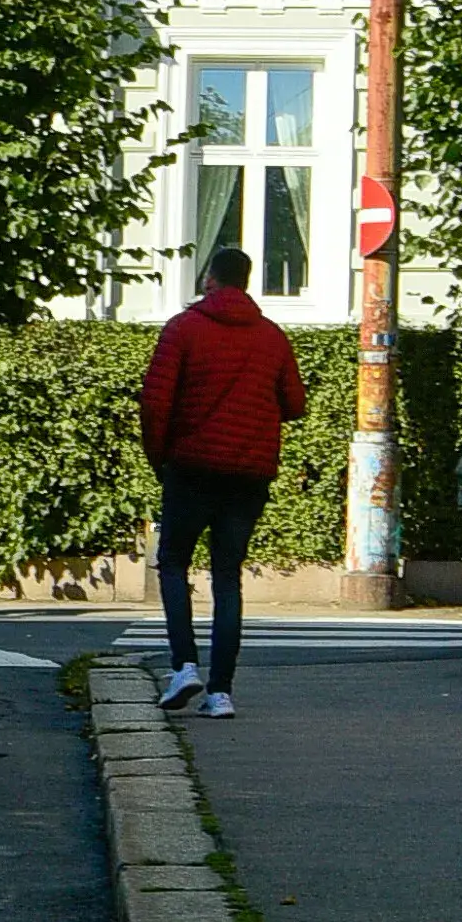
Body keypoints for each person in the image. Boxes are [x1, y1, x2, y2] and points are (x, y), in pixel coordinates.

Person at [139, 235, 308, 716]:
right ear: (247, 283)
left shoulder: (183, 329)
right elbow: (295, 404)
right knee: (227, 575)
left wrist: (160, 458)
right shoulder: (272, 335)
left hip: (191, 468)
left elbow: (155, 403)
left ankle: (184, 665)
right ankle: (221, 692)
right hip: (248, 474)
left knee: (172, 561)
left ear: (210, 279)